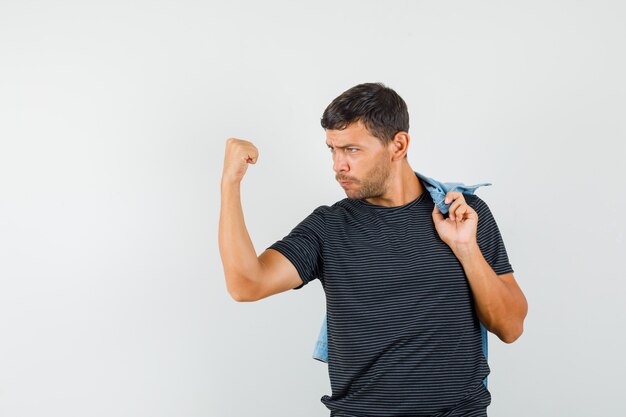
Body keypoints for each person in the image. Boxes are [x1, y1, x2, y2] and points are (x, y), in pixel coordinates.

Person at [218, 82, 528, 417]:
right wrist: (230, 183)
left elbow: (510, 327)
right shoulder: (329, 227)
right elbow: (246, 284)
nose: (338, 166)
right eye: (332, 150)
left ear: (398, 144)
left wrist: (466, 248)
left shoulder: (461, 213)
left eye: (352, 150)